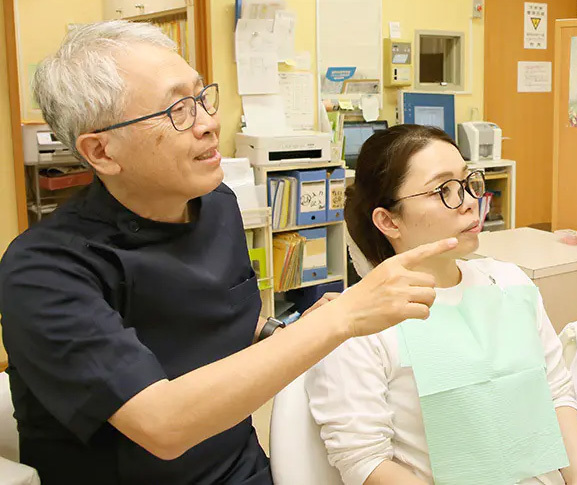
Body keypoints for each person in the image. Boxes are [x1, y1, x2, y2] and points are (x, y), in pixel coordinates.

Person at [0, 21, 458, 484]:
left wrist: (285, 329)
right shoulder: (43, 271)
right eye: (178, 110)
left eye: (202, 97)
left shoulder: (217, 204)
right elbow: (162, 425)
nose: (209, 123)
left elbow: (218, 318)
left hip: (242, 471)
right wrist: (341, 319)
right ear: (101, 151)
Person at [305, 124, 577, 485]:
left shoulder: (510, 283)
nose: (470, 201)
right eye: (443, 190)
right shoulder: (356, 323)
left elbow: (556, 395)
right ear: (388, 220)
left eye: (467, 182)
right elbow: (364, 461)